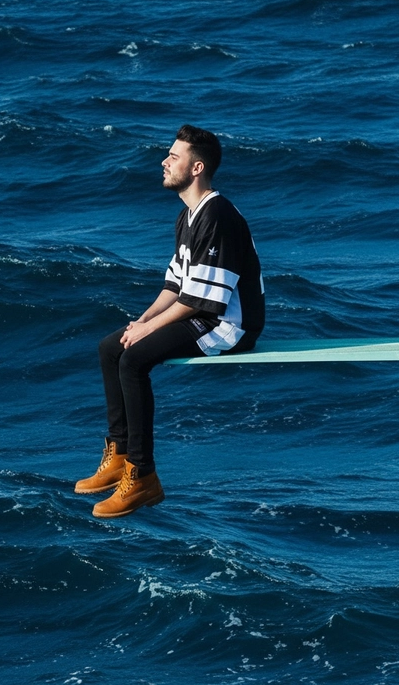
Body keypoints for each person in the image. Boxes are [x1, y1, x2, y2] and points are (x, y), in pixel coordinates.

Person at [75, 124, 265, 518]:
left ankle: (142, 476)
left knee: (134, 359)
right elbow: (175, 287)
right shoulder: (188, 217)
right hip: (204, 313)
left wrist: (149, 331)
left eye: (173, 156)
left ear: (196, 168)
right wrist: (140, 321)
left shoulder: (218, 215)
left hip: (230, 325)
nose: (164, 161)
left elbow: (203, 301)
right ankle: (119, 453)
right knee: (111, 347)